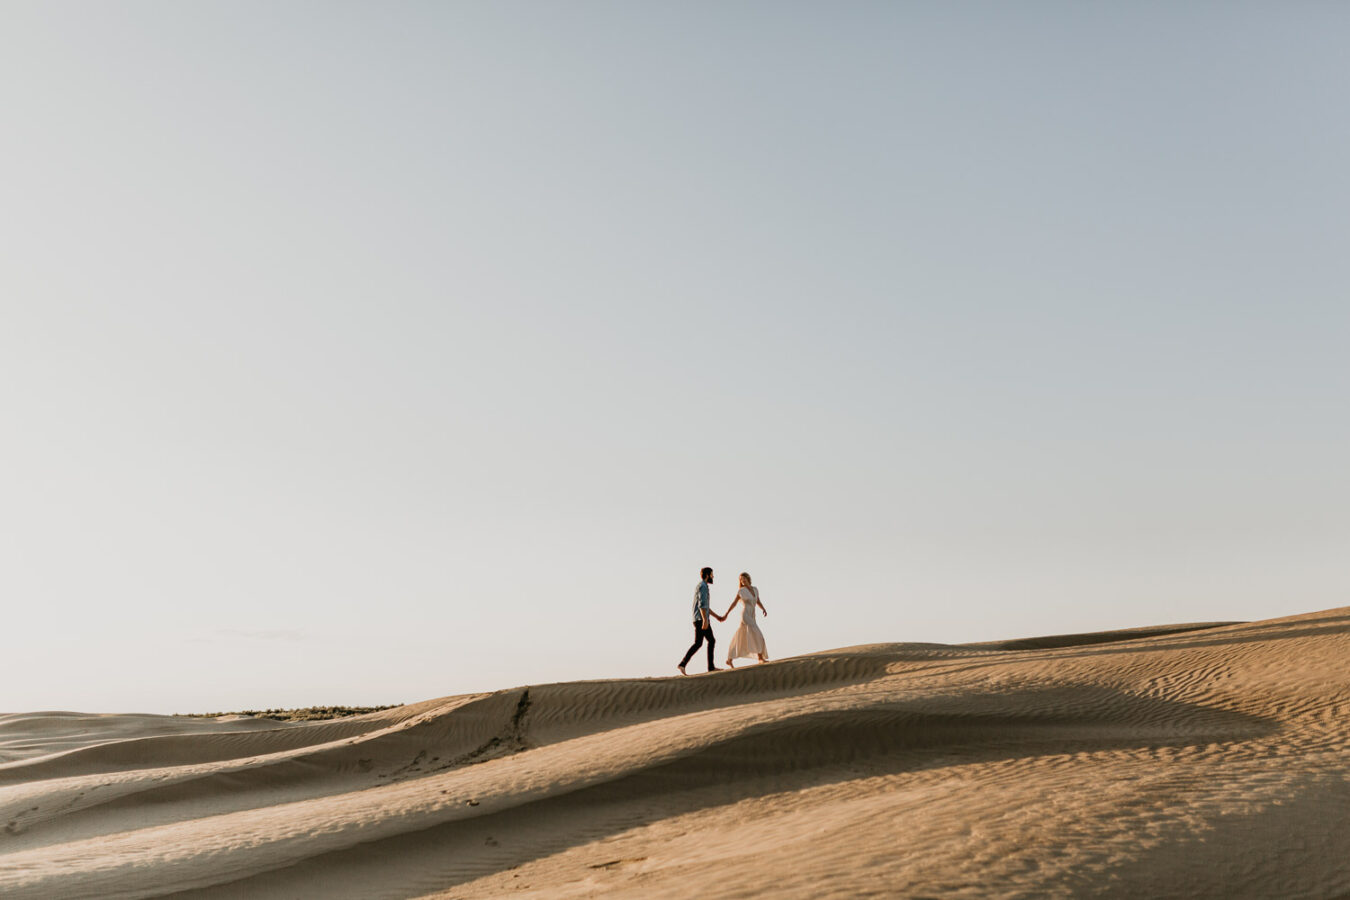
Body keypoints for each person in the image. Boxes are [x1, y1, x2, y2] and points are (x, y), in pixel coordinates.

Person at [678, 567, 722, 675]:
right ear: (707, 575)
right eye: (712, 574)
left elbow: (706, 607)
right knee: (709, 641)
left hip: (700, 618)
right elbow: (702, 605)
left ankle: (684, 664)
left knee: (700, 643)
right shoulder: (703, 587)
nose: (713, 576)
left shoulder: (702, 586)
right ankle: (685, 664)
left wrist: (717, 617)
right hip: (700, 619)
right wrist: (705, 620)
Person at [720, 572, 768, 668]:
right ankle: (760, 658)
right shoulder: (741, 591)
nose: (742, 581)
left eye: (744, 578)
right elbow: (734, 603)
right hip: (745, 615)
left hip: (752, 615)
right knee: (757, 634)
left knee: (741, 636)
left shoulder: (755, 589)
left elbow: (757, 600)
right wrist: (726, 613)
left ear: (748, 578)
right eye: (741, 580)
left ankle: (729, 659)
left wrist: (763, 608)